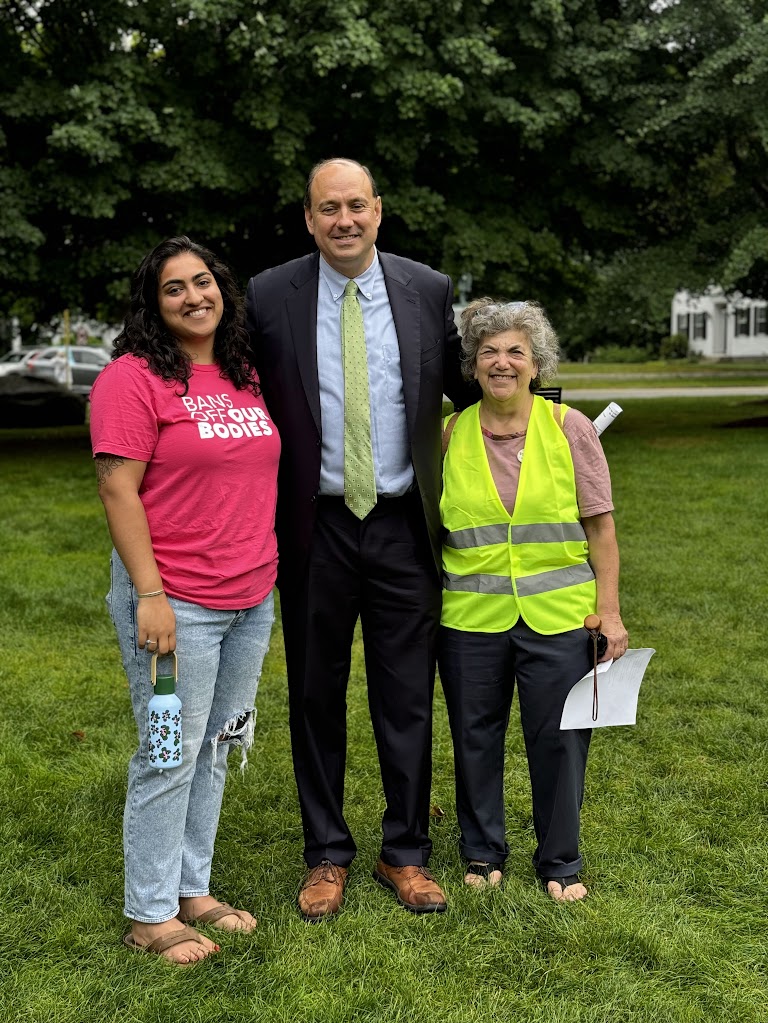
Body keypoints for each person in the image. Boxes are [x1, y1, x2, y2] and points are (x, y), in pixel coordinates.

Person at [245, 157, 473, 920]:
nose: (343, 220)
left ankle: (404, 851)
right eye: (326, 208)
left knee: (406, 694)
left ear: (379, 209)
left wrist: (549, 415)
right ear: (308, 219)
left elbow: (475, 388)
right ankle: (326, 852)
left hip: (405, 525)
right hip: (316, 524)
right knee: (315, 692)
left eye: (356, 206)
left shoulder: (427, 289)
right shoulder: (270, 294)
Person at [90, 236, 280, 963]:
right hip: (176, 604)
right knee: (170, 749)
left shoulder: (243, 375)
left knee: (218, 744)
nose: (194, 296)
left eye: (203, 281)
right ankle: (147, 910)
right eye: (174, 288)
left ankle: (192, 888)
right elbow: (117, 487)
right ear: (154, 304)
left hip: (249, 600)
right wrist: (149, 594)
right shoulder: (133, 379)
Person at [438, 298, 628, 901]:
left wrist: (612, 612)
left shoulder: (569, 428)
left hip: (560, 616)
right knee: (474, 736)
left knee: (560, 740)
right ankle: (482, 850)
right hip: (472, 618)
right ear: (472, 366)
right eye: (489, 351)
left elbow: (601, 529)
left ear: (536, 364)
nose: (502, 362)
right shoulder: (451, 434)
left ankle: (561, 862)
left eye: (515, 351)